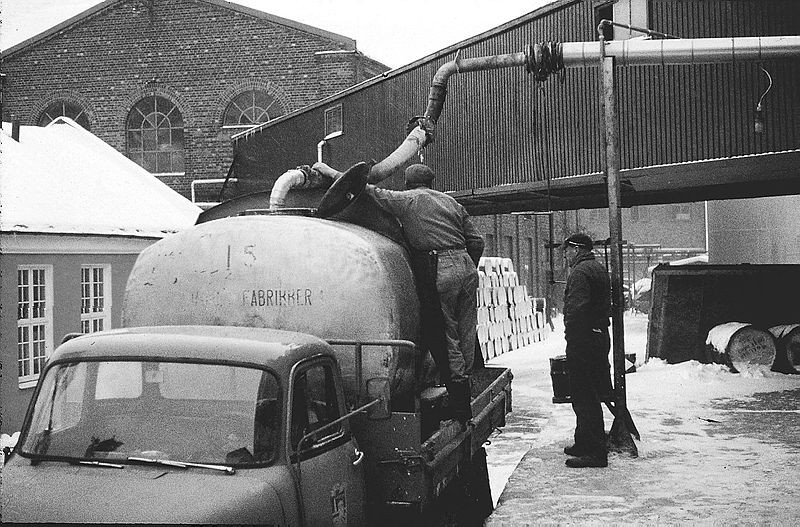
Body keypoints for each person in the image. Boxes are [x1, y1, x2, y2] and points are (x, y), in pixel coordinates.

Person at [363, 163, 484, 425]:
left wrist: (331, 174)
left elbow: (370, 192)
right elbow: (477, 241)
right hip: (466, 265)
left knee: (445, 334)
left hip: (440, 266)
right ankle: (465, 389)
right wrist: (467, 264)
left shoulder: (407, 200)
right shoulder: (451, 203)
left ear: (407, 183)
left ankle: (460, 406)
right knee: (466, 332)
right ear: (431, 181)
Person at [561, 232, 612, 468]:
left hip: (584, 339)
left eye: (567, 250)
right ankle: (583, 442)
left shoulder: (581, 272)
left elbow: (577, 309)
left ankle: (595, 452)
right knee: (587, 391)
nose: (565, 255)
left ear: (577, 249)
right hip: (598, 336)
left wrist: (571, 335)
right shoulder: (597, 267)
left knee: (585, 394)